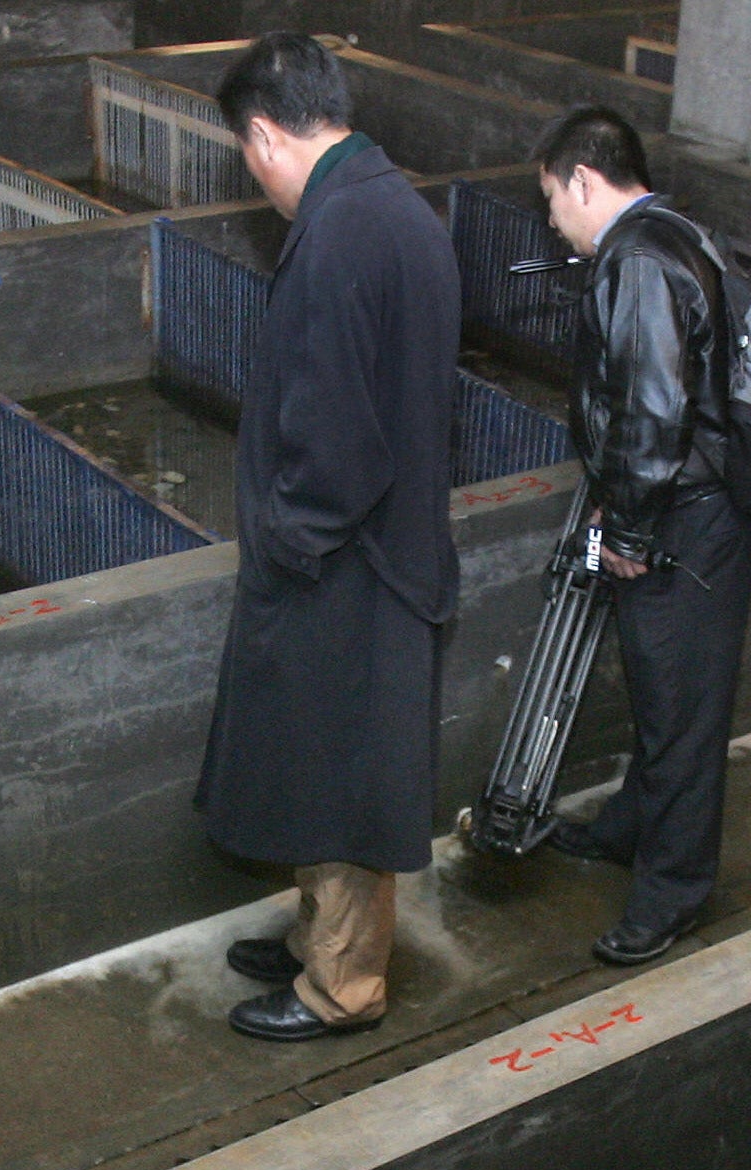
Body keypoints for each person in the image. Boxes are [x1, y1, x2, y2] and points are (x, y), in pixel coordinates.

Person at [197, 33, 464, 1042]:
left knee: (345, 774)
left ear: (264, 135)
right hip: (378, 552)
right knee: (321, 761)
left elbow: (339, 437)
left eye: (243, 152)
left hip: (349, 564)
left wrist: (286, 538)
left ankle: (340, 985)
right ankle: (319, 940)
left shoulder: (345, 230)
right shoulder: (391, 206)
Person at [534, 106, 751, 967]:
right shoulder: (677, 230)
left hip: (688, 522)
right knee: (664, 688)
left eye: (553, 199)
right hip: (706, 508)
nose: (553, 219)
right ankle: (630, 828)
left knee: (681, 709)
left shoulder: (634, 260)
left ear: (585, 181)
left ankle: (672, 892)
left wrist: (626, 523)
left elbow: (652, 407)